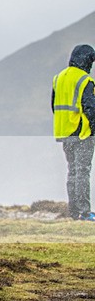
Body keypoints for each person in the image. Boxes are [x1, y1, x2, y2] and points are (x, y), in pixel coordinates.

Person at [52, 44, 95, 221]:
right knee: (83, 172)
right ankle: (85, 212)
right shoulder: (85, 80)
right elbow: (90, 108)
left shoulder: (59, 78)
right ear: (86, 60)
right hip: (83, 134)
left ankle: (74, 211)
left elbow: (54, 105)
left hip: (64, 133)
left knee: (72, 172)